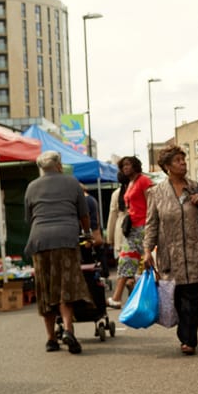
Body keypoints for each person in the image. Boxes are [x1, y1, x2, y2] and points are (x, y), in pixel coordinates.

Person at [143, 143, 198, 355]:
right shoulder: (156, 193)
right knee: (177, 296)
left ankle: (189, 339)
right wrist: (148, 250)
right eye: (177, 161)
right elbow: (151, 224)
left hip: (194, 250)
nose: (183, 164)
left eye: (184, 160)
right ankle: (186, 334)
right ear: (166, 166)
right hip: (169, 253)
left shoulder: (195, 187)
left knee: (192, 296)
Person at [24, 150, 93, 355]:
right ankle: (68, 330)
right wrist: (87, 234)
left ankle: (51, 338)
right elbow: (84, 214)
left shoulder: (31, 187)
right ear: (59, 165)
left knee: (45, 289)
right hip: (66, 239)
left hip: (40, 240)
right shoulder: (72, 183)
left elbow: (29, 219)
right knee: (66, 286)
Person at [107, 156, 151, 309]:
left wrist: (150, 225)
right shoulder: (130, 183)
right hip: (132, 229)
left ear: (135, 165)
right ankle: (118, 298)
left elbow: (151, 203)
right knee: (126, 261)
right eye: (123, 165)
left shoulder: (143, 180)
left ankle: (119, 298)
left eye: (128, 164)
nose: (126, 167)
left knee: (136, 261)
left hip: (143, 227)